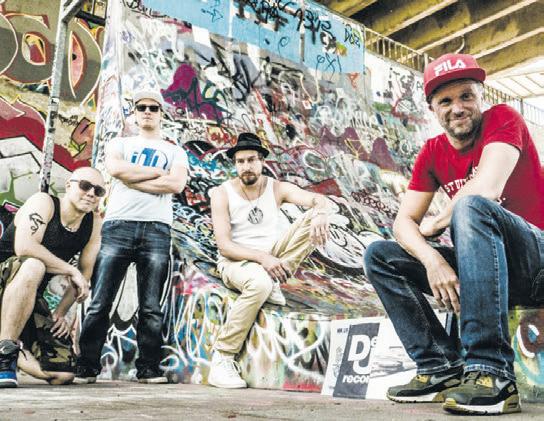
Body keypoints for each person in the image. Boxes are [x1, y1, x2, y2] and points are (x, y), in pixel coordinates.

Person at [364, 53, 544, 415]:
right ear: (432, 109)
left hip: (534, 263)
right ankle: (440, 367)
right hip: (486, 271)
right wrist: (433, 261)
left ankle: (492, 372)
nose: (457, 108)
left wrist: (434, 224)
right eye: (445, 101)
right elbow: (402, 223)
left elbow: (487, 188)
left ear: (481, 98)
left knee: (471, 206)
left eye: (466, 96)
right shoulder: (433, 151)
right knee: (380, 255)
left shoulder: (503, 118)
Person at [75, 89, 189, 384]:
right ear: (135, 114)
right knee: (100, 301)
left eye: (153, 107)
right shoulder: (119, 144)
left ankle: (148, 368)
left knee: (151, 306)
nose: (147, 111)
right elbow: (115, 169)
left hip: (157, 229)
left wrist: (133, 178)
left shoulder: (175, 151)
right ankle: (87, 365)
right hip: (118, 226)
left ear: (162, 114)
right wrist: (158, 174)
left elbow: (176, 184)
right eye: (142, 107)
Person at [208, 132, 331, 388]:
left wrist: (321, 212)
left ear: (262, 161)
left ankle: (271, 280)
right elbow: (225, 246)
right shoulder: (222, 193)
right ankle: (222, 357)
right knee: (260, 284)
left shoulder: (276, 188)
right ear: (235, 164)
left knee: (313, 217)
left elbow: (317, 199)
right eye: (240, 161)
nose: (246, 166)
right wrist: (263, 258)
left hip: (272, 257)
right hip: (236, 263)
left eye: (251, 160)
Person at [0, 167, 104, 387]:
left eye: (98, 191)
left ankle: (7, 351)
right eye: (85, 186)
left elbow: (84, 275)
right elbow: (24, 247)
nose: (91, 193)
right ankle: (5, 352)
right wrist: (70, 270)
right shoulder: (44, 203)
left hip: (26, 298)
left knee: (62, 374)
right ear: (68, 186)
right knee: (33, 265)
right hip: (6, 281)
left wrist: (60, 313)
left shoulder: (93, 224)